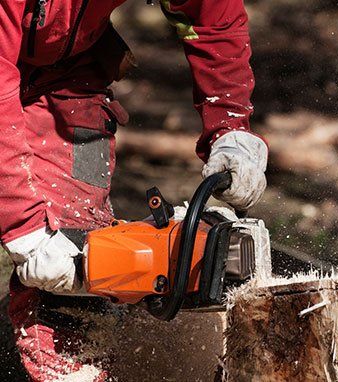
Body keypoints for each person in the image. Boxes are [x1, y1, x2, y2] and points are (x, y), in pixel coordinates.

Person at [0, 1, 268, 380]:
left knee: (83, 254)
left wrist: (230, 124)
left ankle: (73, 368)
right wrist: (23, 226)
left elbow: (211, 15)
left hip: (67, 80)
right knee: (32, 237)